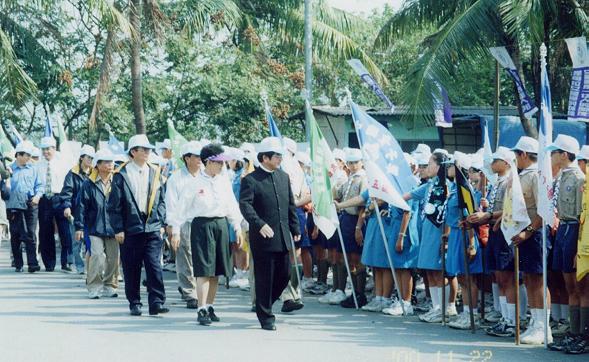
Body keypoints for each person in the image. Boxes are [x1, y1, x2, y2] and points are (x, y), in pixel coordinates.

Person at [172, 143, 244, 326]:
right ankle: (201, 308)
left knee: (216, 271)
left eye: (222, 163)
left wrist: (236, 226)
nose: (221, 166)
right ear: (207, 162)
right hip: (201, 225)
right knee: (204, 269)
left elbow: (231, 205)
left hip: (220, 224)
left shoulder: (223, 180)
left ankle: (210, 305)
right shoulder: (194, 183)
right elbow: (181, 209)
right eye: (218, 163)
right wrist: (175, 231)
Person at [239, 137, 300, 331]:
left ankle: (263, 303)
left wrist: (295, 227)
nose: (280, 159)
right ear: (265, 158)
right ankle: (266, 316)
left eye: (281, 155)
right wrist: (259, 224)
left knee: (284, 274)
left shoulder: (283, 177)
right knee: (265, 277)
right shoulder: (251, 180)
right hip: (263, 237)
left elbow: (290, 205)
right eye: (276, 156)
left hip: (282, 236)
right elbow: (245, 205)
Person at [107, 134, 168, 316]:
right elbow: (114, 205)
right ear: (133, 152)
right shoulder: (121, 175)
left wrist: (161, 220)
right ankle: (134, 302)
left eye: (149, 149)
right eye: (144, 149)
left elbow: (162, 200)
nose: (148, 152)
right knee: (131, 266)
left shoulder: (156, 172)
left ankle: (156, 301)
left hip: (152, 226)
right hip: (130, 227)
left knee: (154, 265)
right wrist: (118, 228)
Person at [509, 136, 552, 344]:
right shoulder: (522, 175)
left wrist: (528, 231)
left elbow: (544, 209)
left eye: (516, 155)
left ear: (524, 155)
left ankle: (544, 327)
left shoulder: (535, 176)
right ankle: (535, 322)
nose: (515, 159)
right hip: (524, 234)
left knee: (538, 281)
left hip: (535, 234)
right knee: (529, 279)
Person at [545, 135, 585, 351]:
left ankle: (581, 333)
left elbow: (581, 216)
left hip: (573, 230)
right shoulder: (561, 177)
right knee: (568, 285)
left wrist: (578, 246)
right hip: (563, 229)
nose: (551, 156)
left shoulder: (579, 179)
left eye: (554, 152)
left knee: (577, 286)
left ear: (564, 154)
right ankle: (573, 330)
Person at [75, 149, 119, 299]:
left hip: (114, 227)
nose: (110, 164)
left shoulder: (118, 182)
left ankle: (110, 285)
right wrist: (79, 227)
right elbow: (81, 206)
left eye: (111, 162)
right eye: (106, 162)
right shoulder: (88, 184)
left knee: (113, 258)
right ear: (98, 165)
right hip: (94, 227)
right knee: (97, 256)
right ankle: (94, 286)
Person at [166, 141, 202, 309]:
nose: (200, 160)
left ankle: (200, 290)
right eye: (196, 157)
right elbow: (171, 205)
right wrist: (174, 229)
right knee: (185, 257)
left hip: (202, 222)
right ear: (187, 158)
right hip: (184, 223)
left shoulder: (205, 175)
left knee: (200, 259)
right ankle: (189, 292)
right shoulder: (176, 178)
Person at [4, 141, 42, 273]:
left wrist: (37, 196)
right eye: (26, 155)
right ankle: (18, 263)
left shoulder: (33, 169)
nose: (29, 158)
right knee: (15, 235)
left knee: (31, 233)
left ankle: (33, 263)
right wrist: (6, 176)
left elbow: (40, 186)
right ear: (18, 155)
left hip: (30, 203)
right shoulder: (8, 169)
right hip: (13, 205)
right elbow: (4, 189)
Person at [37, 136, 73, 272]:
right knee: (46, 232)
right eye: (44, 149)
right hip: (44, 200)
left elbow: (68, 185)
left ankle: (66, 262)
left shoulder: (62, 164)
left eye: (48, 149)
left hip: (60, 198)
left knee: (65, 231)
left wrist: (67, 202)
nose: (46, 152)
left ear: (54, 148)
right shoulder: (38, 165)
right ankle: (49, 263)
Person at [57, 144, 95, 274]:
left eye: (92, 158)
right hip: (75, 212)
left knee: (91, 241)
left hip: (91, 213)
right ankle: (80, 267)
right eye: (88, 157)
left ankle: (91, 266)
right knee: (76, 241)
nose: (90, 160)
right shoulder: (72, 173)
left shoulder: (95, 172)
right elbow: (67, 191)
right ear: (81, 158)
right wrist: (67, 206)